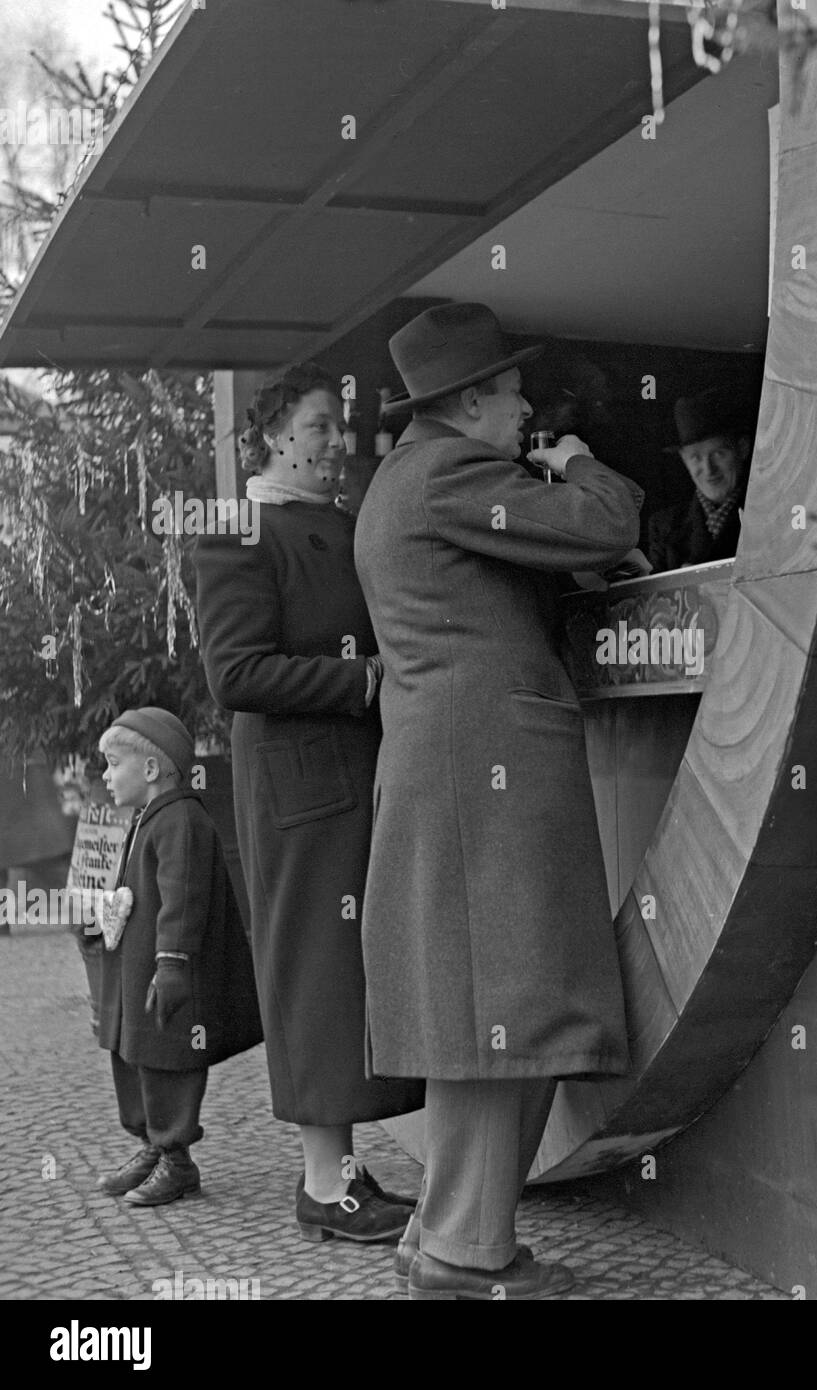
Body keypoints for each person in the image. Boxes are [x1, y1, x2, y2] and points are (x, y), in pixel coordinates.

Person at [354, 302, 643, 1300]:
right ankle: (464, 1256)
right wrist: (573, 463)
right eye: (515, 392)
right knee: (504, 1011)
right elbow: (606, 522)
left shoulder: (403, 478)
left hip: (456, 766)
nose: (525, 409)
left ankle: (446, 1232)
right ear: (472, 400)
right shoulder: (452, 472)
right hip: (489, 773)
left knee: (484, 1007)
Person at [195, 363, 423, 1244]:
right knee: (316, 980)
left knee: (357, 977)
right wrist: (361, 679)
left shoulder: (342, 524)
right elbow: (235, 673)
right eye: (320, 426)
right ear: (272, 438)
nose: (338, 442)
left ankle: (347, 1174)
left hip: (360, 779)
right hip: (302, 793)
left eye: (342, 426)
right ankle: (323, 1187)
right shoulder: (239, 532)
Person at [93, 707, 262, 1206]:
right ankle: (151, 1145)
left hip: (166, 973)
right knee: (135, 1052)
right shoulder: (150, 817)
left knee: (168, 1056)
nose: (104, 775)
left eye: (112, 763)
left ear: (149, 770)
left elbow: (183, 897)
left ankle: (176, 1159)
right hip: (137, 972)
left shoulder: (181, 821)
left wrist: (172, 962)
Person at [645, 387, 755, 572]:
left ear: (743, 449)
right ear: (684, 460)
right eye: (695, 457)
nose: (708, 469)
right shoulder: (664, 527)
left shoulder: (769, 516)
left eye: (719, 454)